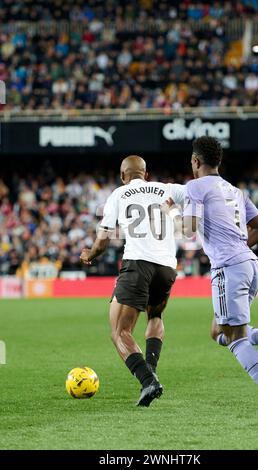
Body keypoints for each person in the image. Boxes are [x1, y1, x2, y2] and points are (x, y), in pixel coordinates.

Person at [164, 136, 258, 413]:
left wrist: (173, 210)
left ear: (195, 161)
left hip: (229, 268)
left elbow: (188, 230)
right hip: (249, 265)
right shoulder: (234, 190)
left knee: (235, 339)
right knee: (217, 332)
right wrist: (237, 248)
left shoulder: (196, 187)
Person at [80, 155, 184, 407]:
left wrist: (90, 254)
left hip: (138, 264)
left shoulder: (119, 194)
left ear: (123, 176)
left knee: (119, 331)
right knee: (155, 317)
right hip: (167, 266)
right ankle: (151, 370)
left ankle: (148, 381)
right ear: (146, 174)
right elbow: (185, 222)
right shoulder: (168, 189)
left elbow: (103, 240)